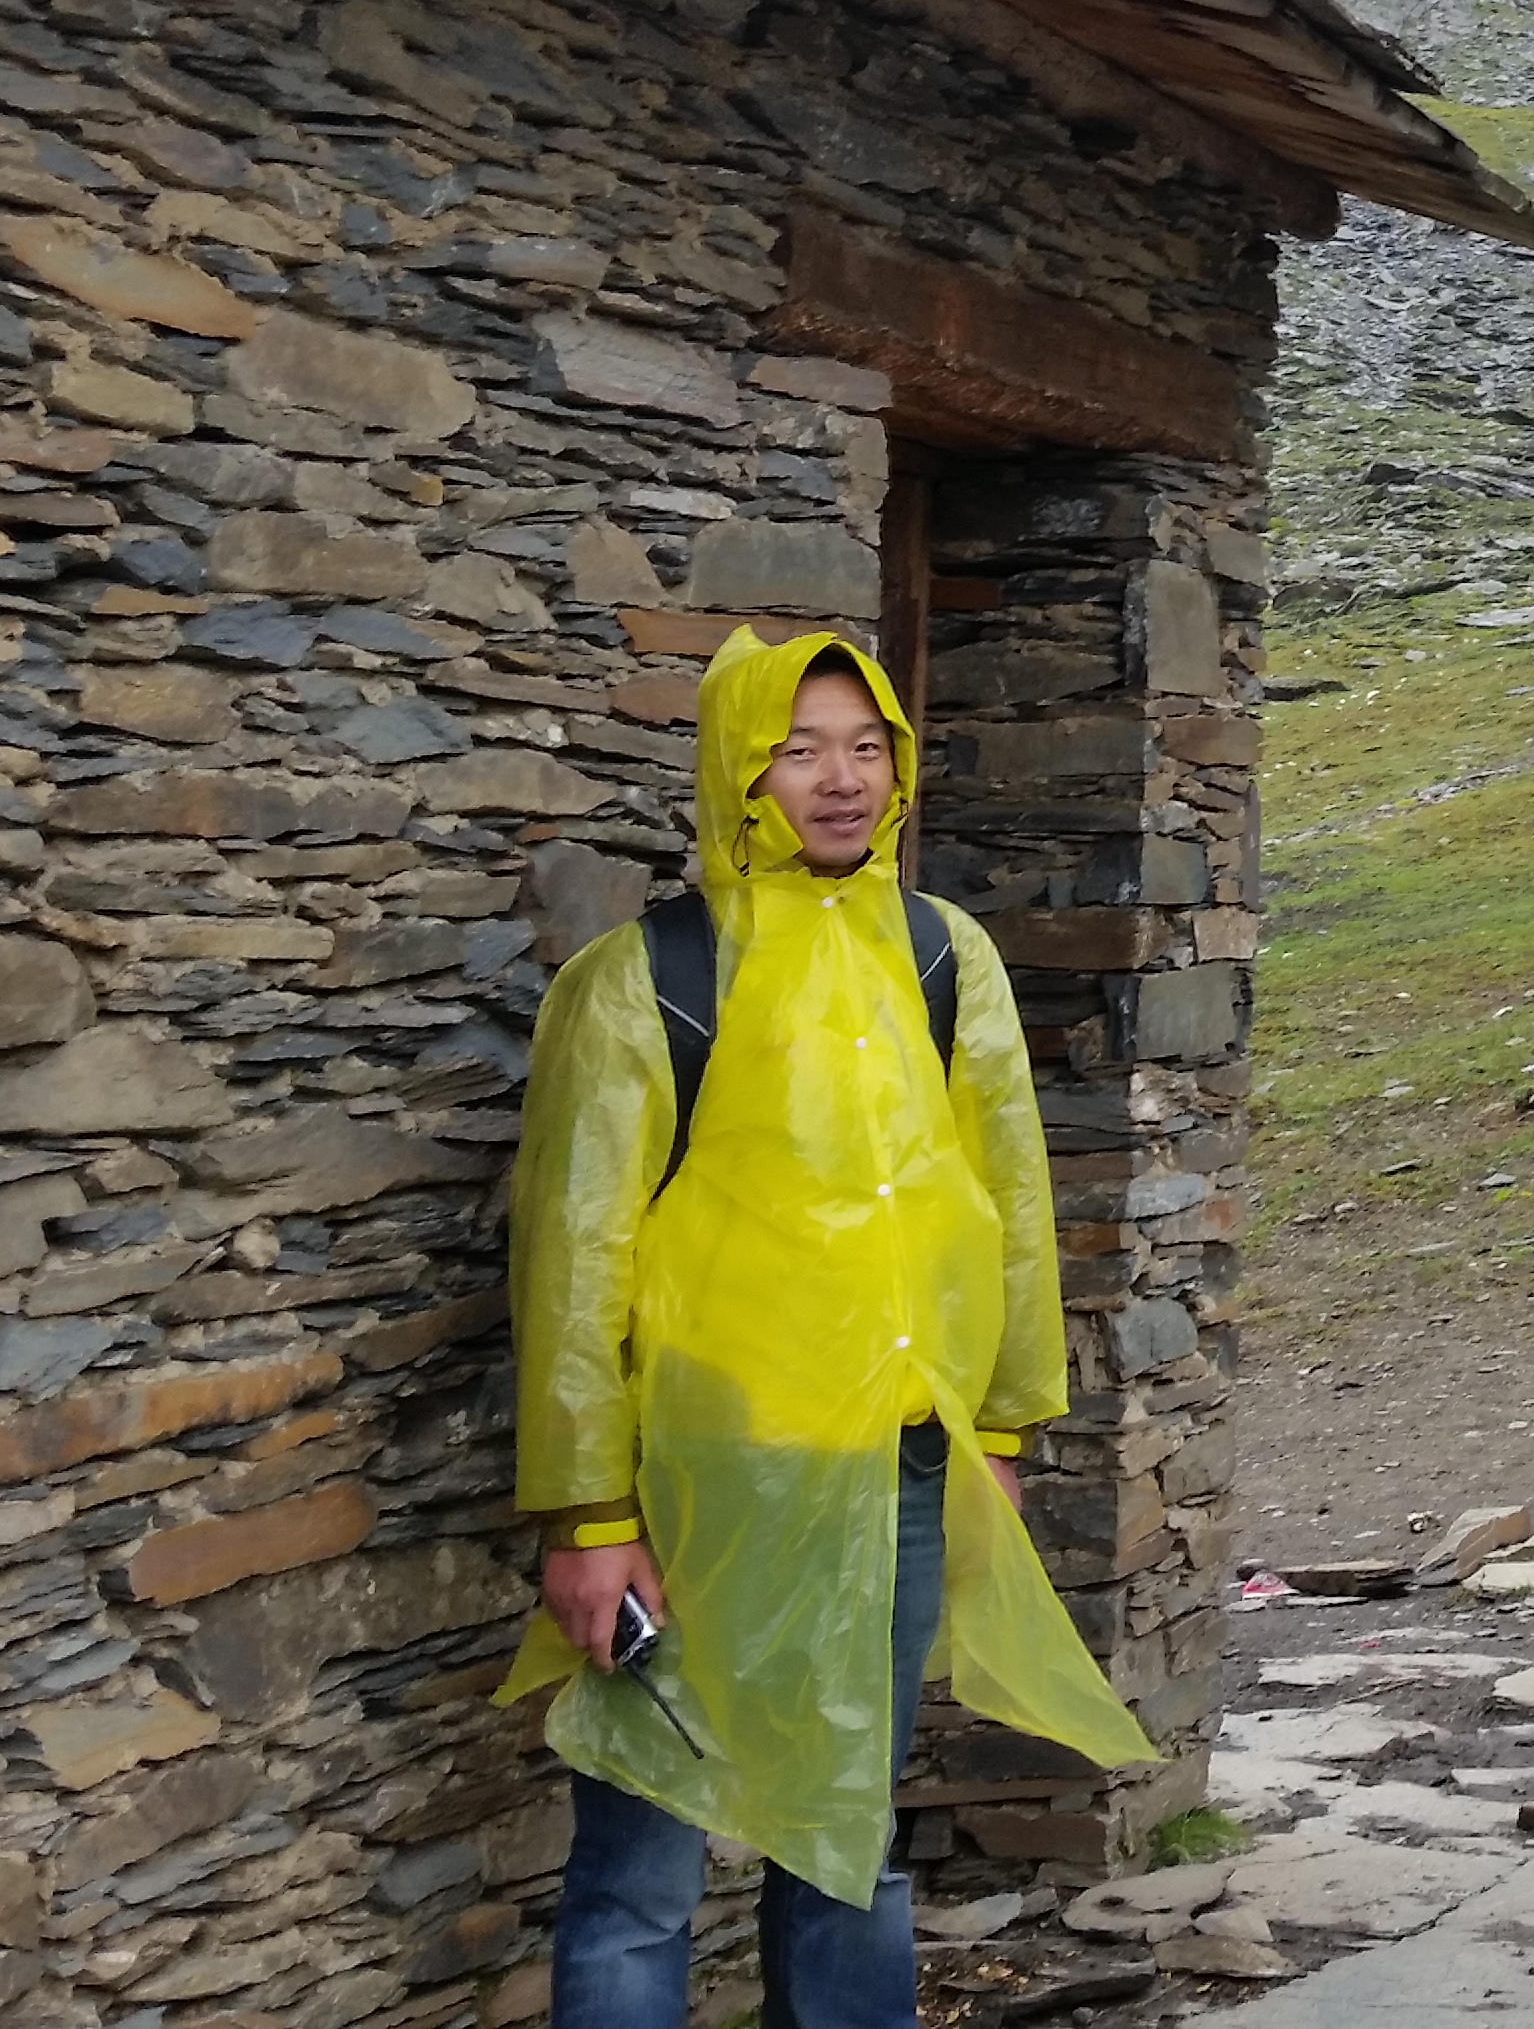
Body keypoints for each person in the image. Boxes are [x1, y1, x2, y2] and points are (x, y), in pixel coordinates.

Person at [498, 624, 1153, 2029]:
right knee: (641, 1871)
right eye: (799, 750)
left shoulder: (940, 955)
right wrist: (588, 1513)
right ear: (740, 768)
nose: (841, 781)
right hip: (695, 1485)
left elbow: (1005, 1199)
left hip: (900, 1471)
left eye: (867, 748)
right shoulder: (646, 979)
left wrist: (996, 1426)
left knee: (850, 1836)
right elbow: (573, 1263)